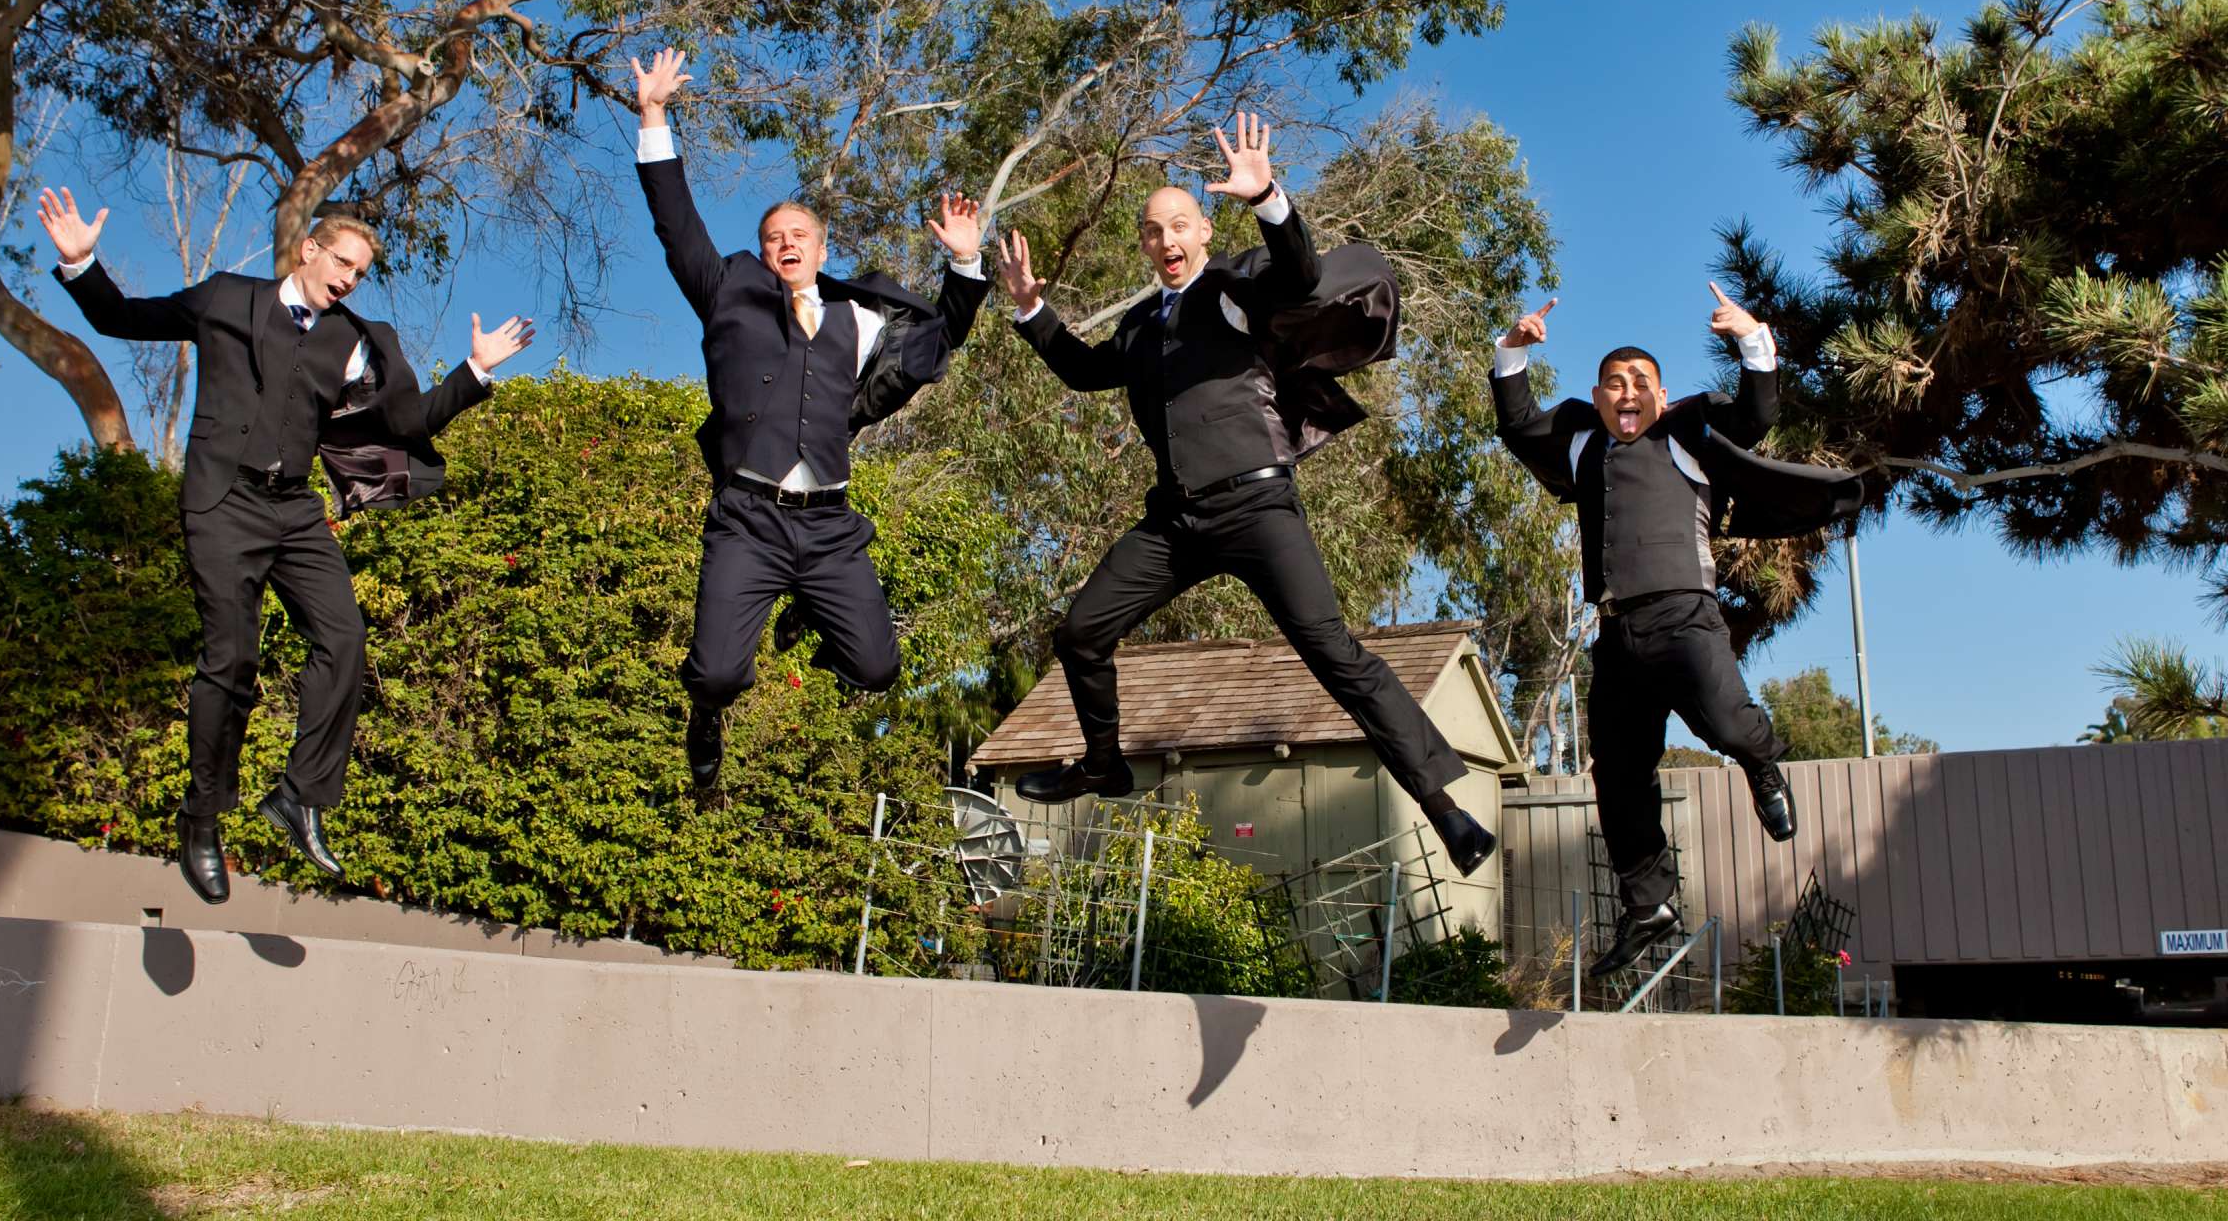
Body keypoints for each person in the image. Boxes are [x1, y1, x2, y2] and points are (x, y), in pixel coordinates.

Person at [992, 115, 1497, 878]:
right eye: (1152, 231)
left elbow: (1297, 275)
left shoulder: (1232, 292)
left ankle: (1445, 809)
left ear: (1201, 232)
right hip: (1178, 521)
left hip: (1259, 508)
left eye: (1179, 226)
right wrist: (1032, 307)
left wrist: (1269, 200)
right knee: (1081, 632)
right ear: (1143, 244)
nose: (1166, 241)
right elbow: (1085, 371)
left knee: (1335, 654)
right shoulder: (1137, 326)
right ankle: (1102, 763)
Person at [38, 189, 535, 903]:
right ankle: (201, 817)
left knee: (345, 638)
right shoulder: (224, 300)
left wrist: (475, 371)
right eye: (342, 263)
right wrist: (82, 261)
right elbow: (123, 319)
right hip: (222, 503)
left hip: (294, 509)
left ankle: (299, 794)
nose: (348, 280)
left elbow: (409, 419)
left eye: (360, 273)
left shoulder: (357, 338)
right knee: (230, 661)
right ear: (309, 249)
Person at [627, 49, 991, 788]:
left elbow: (940, 338)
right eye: (774, 238)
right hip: (748, 520)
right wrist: (654, 115)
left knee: (878, 667)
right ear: (762, 254)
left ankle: (814, 618)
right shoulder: (727, 291)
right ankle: (706, 713)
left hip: (827, 523)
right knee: (722, 676)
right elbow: (676, 224)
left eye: (800, 236)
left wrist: (964, 264)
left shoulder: (859, 320)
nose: (787, 244)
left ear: (824, 250)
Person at [1491, 286, 1864, 977]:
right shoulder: (1582, 449)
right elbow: (1517, 426)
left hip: (1686, 616)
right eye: (1613, 385)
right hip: (1617, 633)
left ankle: (1761, 764)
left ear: (1661, 397)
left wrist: (1751, 339)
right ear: (1598, 399)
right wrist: (1511, 351)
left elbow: (1756, 411)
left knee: (1727, 723)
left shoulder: (1685, 435)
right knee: (1619, 776)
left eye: (1641, 384)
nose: (1627, 394)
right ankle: (1648, 906)